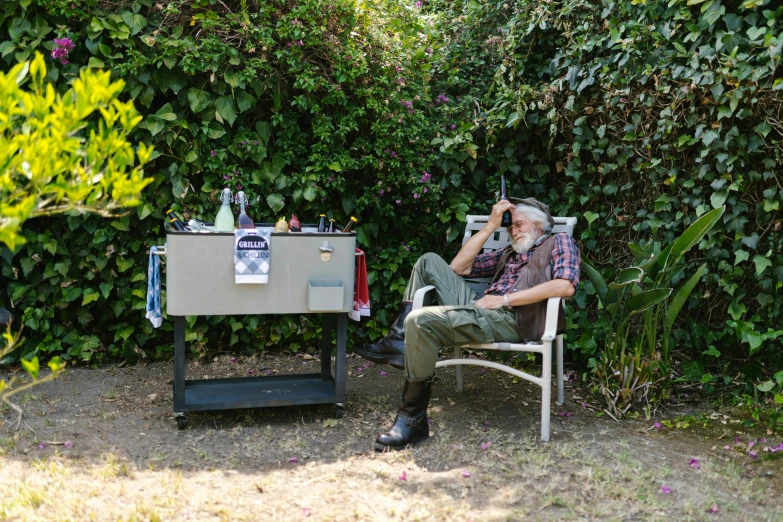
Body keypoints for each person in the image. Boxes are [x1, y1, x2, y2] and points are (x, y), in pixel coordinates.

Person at [357, 197, 581, 451]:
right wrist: (489, 226)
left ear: (539, 224)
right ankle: (399, 340)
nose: (514, 231)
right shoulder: (508, 253)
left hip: (512, 319)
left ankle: (412, 418)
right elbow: (458, 268)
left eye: (519, 225)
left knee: (420, 320)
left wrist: (505, 300)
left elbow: (565, 285)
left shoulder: (559, 242)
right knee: (428, 260)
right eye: (510, 228)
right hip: (480, 309)